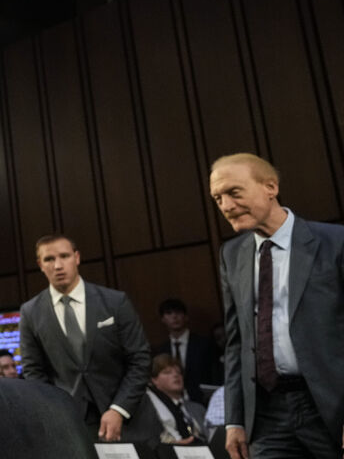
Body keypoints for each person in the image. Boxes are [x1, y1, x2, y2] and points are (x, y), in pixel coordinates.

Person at [211, 153, 344, 459]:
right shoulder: (231, 254)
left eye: (234, 192)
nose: (226, 206)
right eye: (218, 198)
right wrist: (234, 420)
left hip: (329, 405)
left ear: (270, 187)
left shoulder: (335, 242)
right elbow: (237, 342)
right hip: (267, 414)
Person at [18, 235, 151, 442]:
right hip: (70, 425)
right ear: (40, 265)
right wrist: (56, 412)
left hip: (128, 419)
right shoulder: (30, 312)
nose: (58, 265)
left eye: (64, 256)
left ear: (77, 257)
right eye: (49, 259)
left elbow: (140, 360)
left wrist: (119, 408)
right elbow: (33, 372)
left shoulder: (115, 302)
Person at [152, 298, 218, 402]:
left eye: (178, 312)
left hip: (204, 401)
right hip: (171, 402)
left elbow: (215, 376)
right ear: (163, 319)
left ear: (186, 317)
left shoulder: (205, 344)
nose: (174, 317)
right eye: (169, 313)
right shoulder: (160, 350)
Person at [141, 354, 207, 445]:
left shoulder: (198, 408)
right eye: (167, 372)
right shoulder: (149, 406)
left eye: (179, 372)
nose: (175, 375)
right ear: (154, 380)